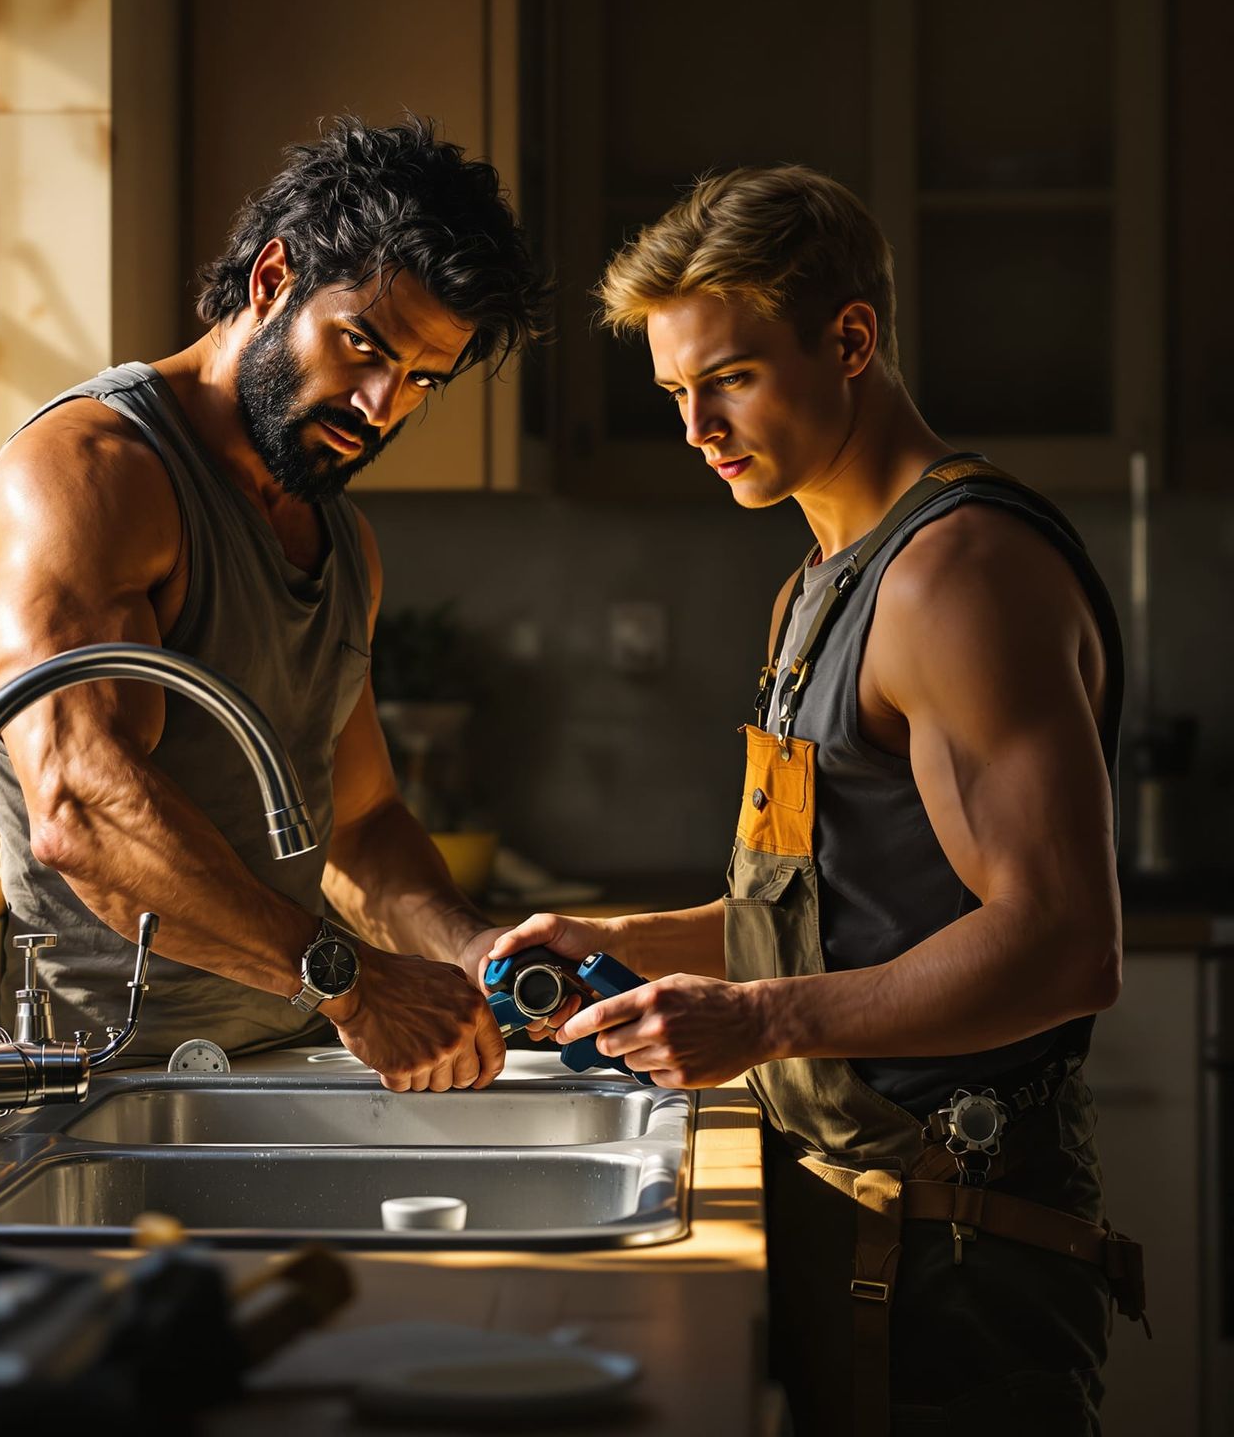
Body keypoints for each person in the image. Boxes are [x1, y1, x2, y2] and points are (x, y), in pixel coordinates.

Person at [489, 167, 1146, 1433]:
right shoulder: (814, 587)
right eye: (676, 393)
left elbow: (1067, 943)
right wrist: (622, 946)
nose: (696, 428)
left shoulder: (955, 576)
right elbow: (826, 910)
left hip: (960, 1250)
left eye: (727, 378)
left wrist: (757, 1021)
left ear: (851, 340)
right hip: (849, 1215)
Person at [0, 117, 548, 1091]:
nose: (379, 406)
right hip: (108, 1085)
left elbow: (358, 825)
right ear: (273, 278)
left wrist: (468, 946)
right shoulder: (86, 477)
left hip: (283, 1065)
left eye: (419, 380)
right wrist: (351, 986)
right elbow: (82, 813)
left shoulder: (340, 539)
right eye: (361, 345)